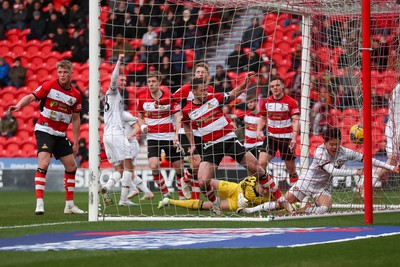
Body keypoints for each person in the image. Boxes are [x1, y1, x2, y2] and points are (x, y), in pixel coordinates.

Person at [181, 76, 293, 216]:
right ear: (194, 92)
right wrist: (192, 143)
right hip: (211, 146)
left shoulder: (214, 98)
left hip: (229, 140)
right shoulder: (187, 110)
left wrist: (244, 84)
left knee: (256, 168)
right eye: (202, 91)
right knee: (203, 182)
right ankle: (215, 205)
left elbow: (233, 93)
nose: (205, 92)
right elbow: (185, 123)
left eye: (206, 89)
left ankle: (283, 202)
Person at [246, 127, 400, 215]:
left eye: (337, 144)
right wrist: (356, 172)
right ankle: (251, 210)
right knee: (281, 204)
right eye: (331, 144)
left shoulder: (344, 152)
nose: (334, 147)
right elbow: (332, 171)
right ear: (325, 142)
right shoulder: (320, 152)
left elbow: (368, 159)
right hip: (307, 183)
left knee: (326, 208)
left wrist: (392, 167)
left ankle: (303, 212)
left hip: (321, 187)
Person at [8, 60, 85, 215]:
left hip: (60, 134)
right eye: (60, 72)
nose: (62, 75)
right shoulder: (49, 86)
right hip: (44, 130)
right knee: (44, 162)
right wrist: (19, 105)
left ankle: (69, 205)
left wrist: (75, 142)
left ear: (71, 73)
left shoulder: (76, 95)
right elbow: (31, 97)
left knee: (72, 167)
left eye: (65, 72)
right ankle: (40, 203)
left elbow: (76, 119)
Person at [99, 54, 142, 207]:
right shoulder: (112, 92)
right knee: (129, 166)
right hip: (116, 135)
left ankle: (106, 187)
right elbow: (113, 78)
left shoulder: (116, 101)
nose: (123, 82)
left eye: (125, 80)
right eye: (121, 79)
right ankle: (123, 200)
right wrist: (119, 61)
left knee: (119, 168)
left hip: (107, 136)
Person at [137, 70, 186, 199]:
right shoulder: (142, 99)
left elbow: (178, 117)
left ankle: (182, 195)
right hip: (153, 137)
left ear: (159, 82)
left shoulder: (169, 97)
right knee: (153, 166)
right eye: (149, 82)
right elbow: (140, 116)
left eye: (153, 81)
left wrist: (177, 135)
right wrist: (143, 126)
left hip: (169, 137)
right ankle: (166, 193)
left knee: (179, 167)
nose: (151, 84)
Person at [257, 76, 300, 185]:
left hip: (286, 138)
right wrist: (258, 130)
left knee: (290, 168)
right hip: (271, 137)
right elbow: (262, 118)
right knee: (261, 162)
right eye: (272, 86)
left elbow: (295, 121)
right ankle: (265, 188)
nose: (275, 88)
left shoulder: (290, 102)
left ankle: (296, 192)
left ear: (282, 86)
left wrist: (294, 138)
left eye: (277, 85)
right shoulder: (266, 102)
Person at [158, 176, 284, 213]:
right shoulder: (251, 180)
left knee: (207, 207)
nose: (266, 191)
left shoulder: (272, 193)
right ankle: (187, 178)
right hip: (234, 190)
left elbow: (281, 203)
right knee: (205, 181)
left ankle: (169, 201)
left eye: (268, 188)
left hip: (236, 204)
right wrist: (240, 196)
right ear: (257, 183)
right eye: (263, 187)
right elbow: (241, 185)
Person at [121, 110, 154, 200]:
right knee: (130, 172)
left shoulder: (125, 114)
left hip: (131, 146)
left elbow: (137, 128)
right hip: (125, 147)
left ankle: (133, 189)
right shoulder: (114, 116)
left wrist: (128, 137)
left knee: (123, 169)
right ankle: (148, 192)